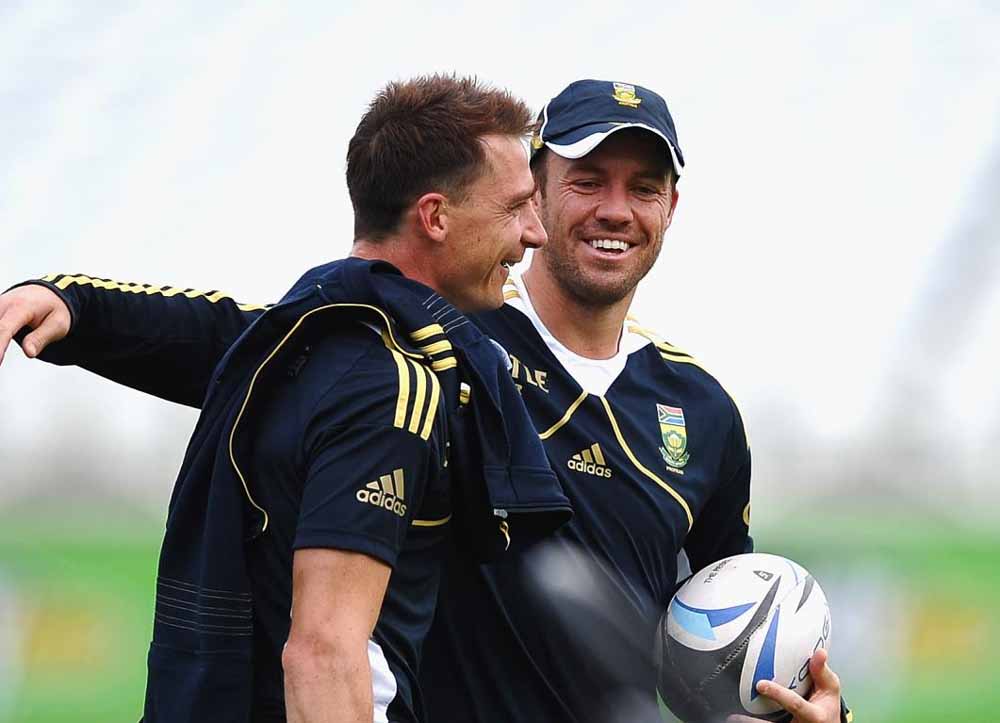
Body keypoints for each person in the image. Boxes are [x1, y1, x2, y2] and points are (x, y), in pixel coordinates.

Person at [1, 79, 847, 723]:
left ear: (672, 206)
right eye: (588, 181)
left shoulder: (702, 410)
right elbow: (263, 340)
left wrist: (808, 710)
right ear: (537, 192)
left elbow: (727, 622)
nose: (615, 210)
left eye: (644, 186)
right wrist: (80, 310)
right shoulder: (442, 341)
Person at [0, 74, 573, 723]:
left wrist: (76, 306)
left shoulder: (308, 343)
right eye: (515, 207)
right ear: (435, 216)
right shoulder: (392, 387)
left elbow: (218, 333)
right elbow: (324, 654)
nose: (535, 233)